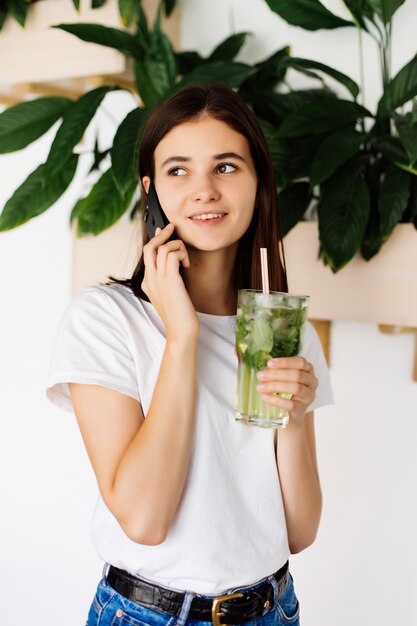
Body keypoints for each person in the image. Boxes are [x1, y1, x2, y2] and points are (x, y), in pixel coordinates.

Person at [46, 84, 334, 626]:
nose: (203, 190)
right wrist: (182, 336)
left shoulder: (280, 329)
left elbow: (299, 532)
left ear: (258, 183)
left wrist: (292, 420)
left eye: (226, 167)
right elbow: (145, 519)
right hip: (149, 615)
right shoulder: (106, 319)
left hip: (274, 609)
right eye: (179, 171)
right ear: (151, 190)